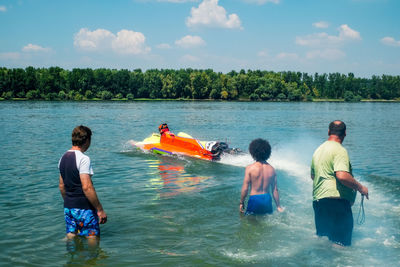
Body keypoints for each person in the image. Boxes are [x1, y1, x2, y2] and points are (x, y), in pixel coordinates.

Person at [311, 120, 368, 246]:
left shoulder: (318, 150)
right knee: (341, 246)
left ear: (328, 132)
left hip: (319, 202)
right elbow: (342, 176)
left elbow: (313, 176)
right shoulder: (339, 150)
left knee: (323, 243)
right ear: (345, 133)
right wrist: (361, 188)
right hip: (336, 203)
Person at [58, 125, 107, 244]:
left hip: (68, 207)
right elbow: (87, 187)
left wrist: (70, 202)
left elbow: (61, 186)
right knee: (92, 235)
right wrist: (100, 210)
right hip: (84, 207)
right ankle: (91, 262)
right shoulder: (83, 159)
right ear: (87, 140)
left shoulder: (62, 158)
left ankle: (71, 259)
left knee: (71, 234)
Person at [240, 138, 284, 215]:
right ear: (268, 153)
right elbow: (275, 190)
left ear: (253, 152)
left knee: (250, 221)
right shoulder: (272, 169)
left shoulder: (250, 168)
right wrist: (278, 206)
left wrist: (241, 202)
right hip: (267, 199)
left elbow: (245, 188)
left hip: (255, 199)